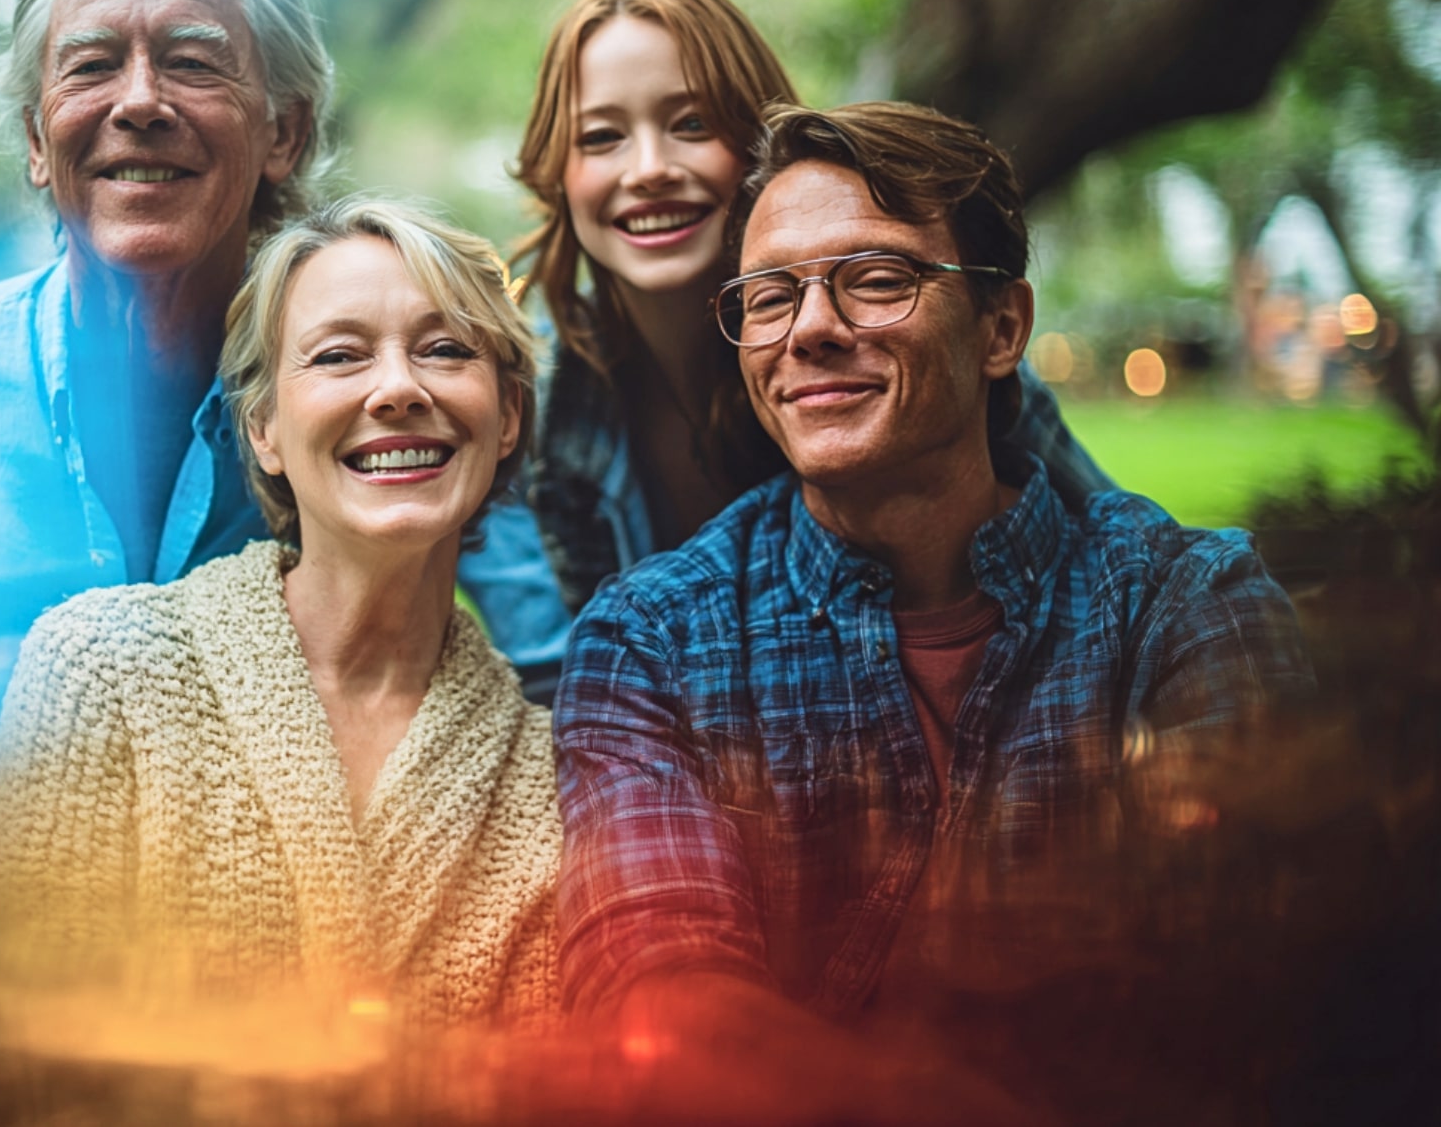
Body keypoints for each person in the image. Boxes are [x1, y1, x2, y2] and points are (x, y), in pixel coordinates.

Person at [0, 0, 568, 806]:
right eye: (91, 66)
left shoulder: (379, 414)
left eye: (192, 62)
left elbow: (547, 694)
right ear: (33, 137)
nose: (138, 102)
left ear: (283, 134)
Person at [555, 102, 1313, 1034]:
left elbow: (1268, 984)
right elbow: (658, 988)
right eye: (769, 297)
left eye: (875, 280)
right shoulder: (652, 642)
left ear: (1002, 327)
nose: (811, 330)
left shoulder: (1185, 606)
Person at [0, 197, 560, 1026]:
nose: (396, 387)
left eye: (445, 349)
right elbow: (15, 1064)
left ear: (508, 418)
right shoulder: (101, 670)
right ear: (263, 429)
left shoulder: (553, 779)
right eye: (339, 355)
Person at [503, 0, 1112, 618]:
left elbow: (1115, 561)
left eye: (692, 123)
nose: (650, 167)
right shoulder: (531, 401)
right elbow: (558, 673)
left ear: (761, 145)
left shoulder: (922, 348)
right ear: (556, 176)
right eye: (601, 137)